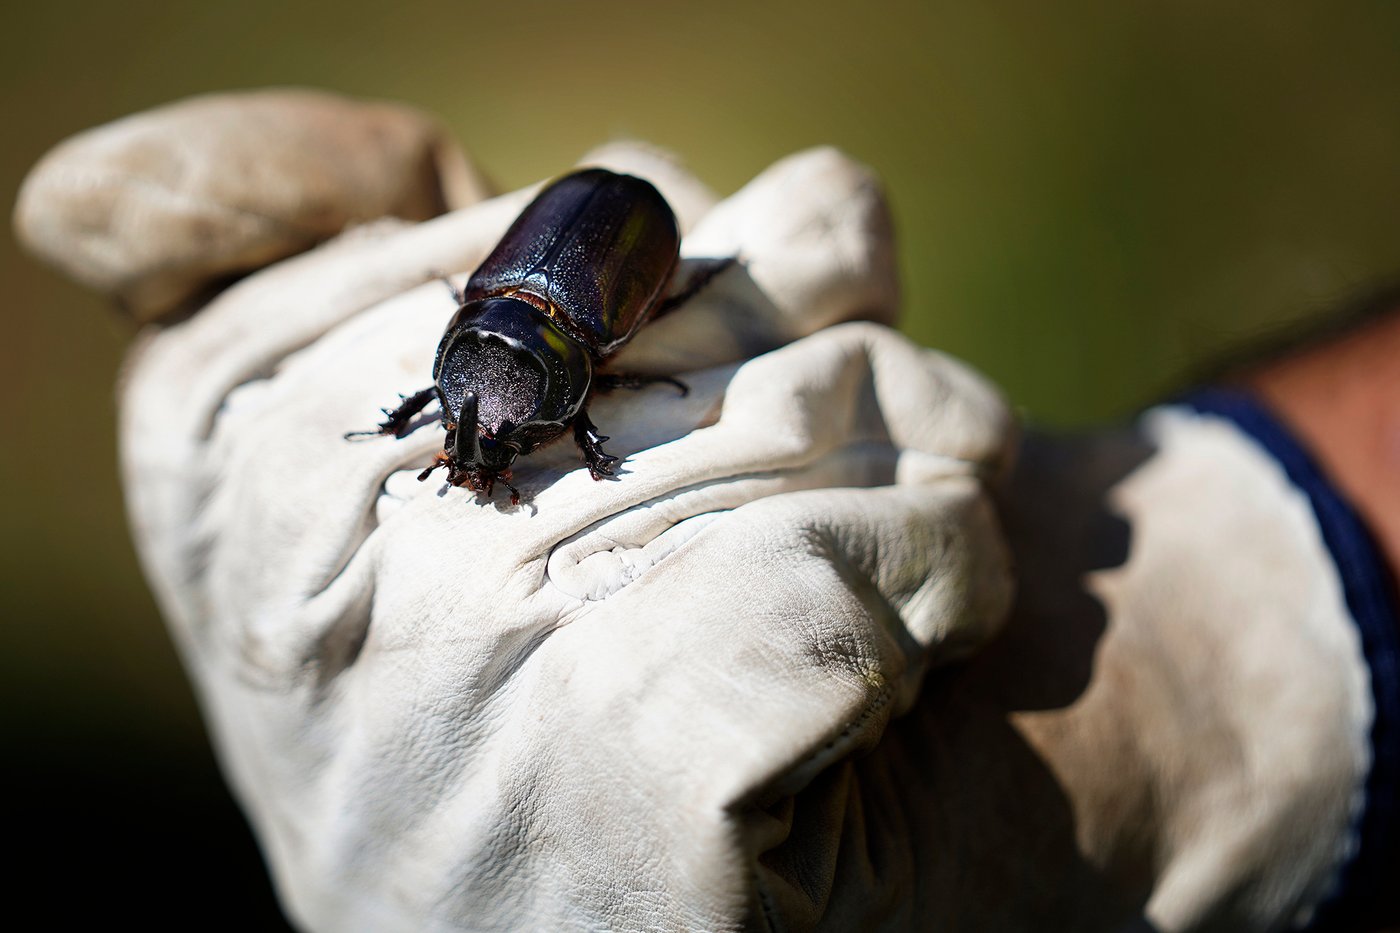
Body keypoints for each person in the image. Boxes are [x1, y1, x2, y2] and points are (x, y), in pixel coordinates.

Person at [15, 89, 1396, 932]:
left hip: (600, 253)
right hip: (565, 270)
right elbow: (477, 394)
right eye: (471, 428)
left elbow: (516, 391)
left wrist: (1242, 577)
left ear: (580, 373)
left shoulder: (550, 358)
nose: (487, 444)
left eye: (501, 429)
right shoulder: (491, 366)